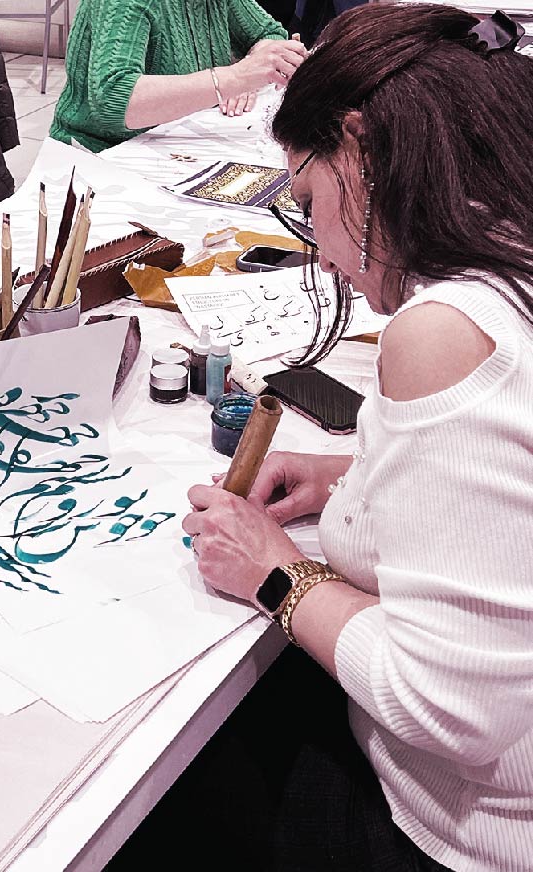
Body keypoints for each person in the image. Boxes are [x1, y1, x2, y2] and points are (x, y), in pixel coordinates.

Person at [118, 5, 533, 870]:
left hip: (461, 828)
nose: (323, 257)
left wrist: (274, 572)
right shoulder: (510, 246)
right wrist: (359, 470)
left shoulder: (448, 329)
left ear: (360, 148)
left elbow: (447, 707)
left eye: (306, 203)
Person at [49, 0, 306, 152]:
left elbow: (271, 34)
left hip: (174, 141)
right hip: (100, 154)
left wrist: (252, 70)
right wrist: (234, 78)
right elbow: (115, 98)